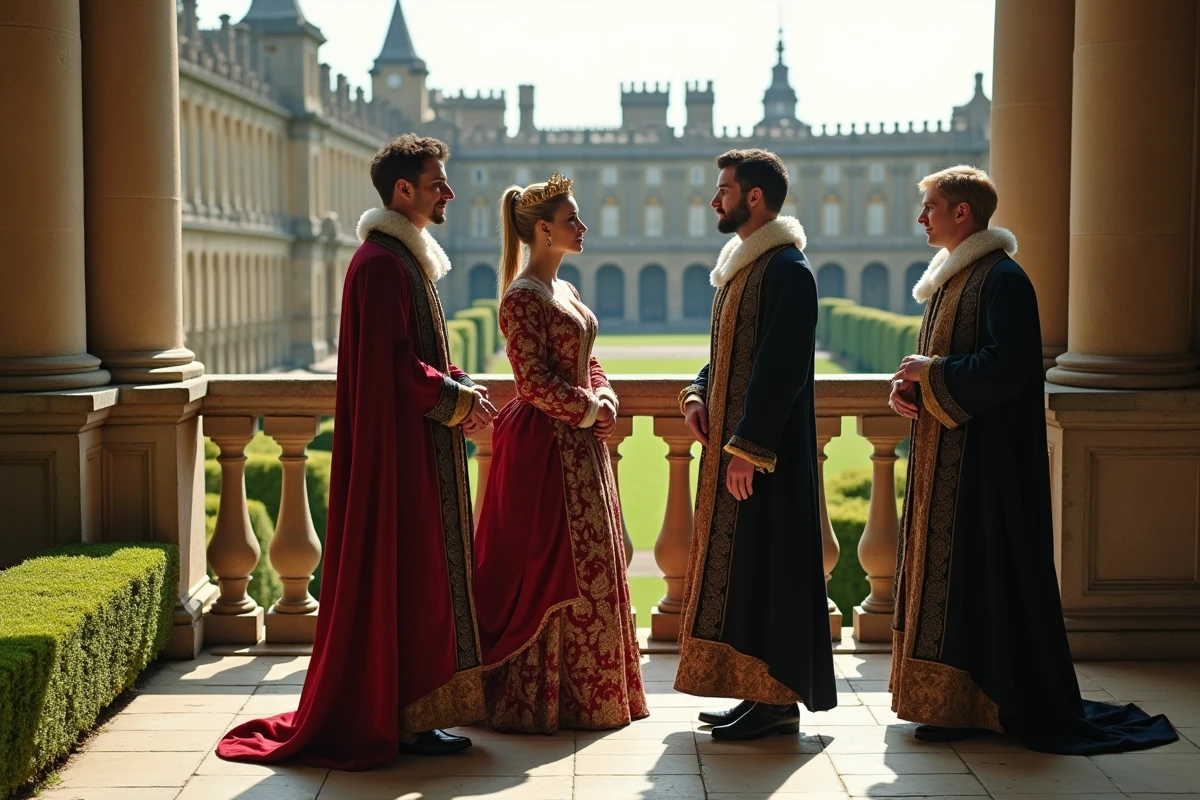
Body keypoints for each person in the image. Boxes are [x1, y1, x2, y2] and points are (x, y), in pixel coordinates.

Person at [217, 134, 497, 768]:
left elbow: (412, 358)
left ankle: (412, 712)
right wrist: (456, 399)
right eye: (437, 183)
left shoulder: (402, 259)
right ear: (403, 190)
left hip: (415, 449)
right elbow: (396, 365)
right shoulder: (380, 265)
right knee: (408, 578)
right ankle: (399, 716)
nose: (448, 192)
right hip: (397, 460)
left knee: (420, 580)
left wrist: (456, 385)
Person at [888, 164, 1177, 754]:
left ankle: (980, 701)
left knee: (978, 580)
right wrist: (910, 385)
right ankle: (951, 701)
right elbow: (948, 360)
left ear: (962, 213)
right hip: (946, 460)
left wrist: (933, 373)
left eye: (931, 207)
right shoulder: (952, 279)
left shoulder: (1003, 279)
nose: (922, 218)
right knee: (952, 579)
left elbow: (1010, 368)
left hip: (983, 469)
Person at [472, 173, 648, 734]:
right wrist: (591, 410)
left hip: (580, 444)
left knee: (595, 559)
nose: (583, 226)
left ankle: (588, 695)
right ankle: (541, 698)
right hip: (544, 449)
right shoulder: (521, 296)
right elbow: (531, 383)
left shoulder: (564, 289)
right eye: (573, 220)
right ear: (543, 231)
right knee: (552, 568)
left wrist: (606, 394)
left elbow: (584, 360)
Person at [674, 148, 836, 741]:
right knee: (745, 573)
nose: (715, 199)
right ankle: (755, 694)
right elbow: (728, 355)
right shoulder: (746, 267)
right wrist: (697, 392)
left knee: (771, 572)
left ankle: (776, 702)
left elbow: (782, 366)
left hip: (767, 460)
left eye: (723, 190)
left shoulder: (787, 270)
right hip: (741, 452)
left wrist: (748, 446)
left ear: (754, 198)